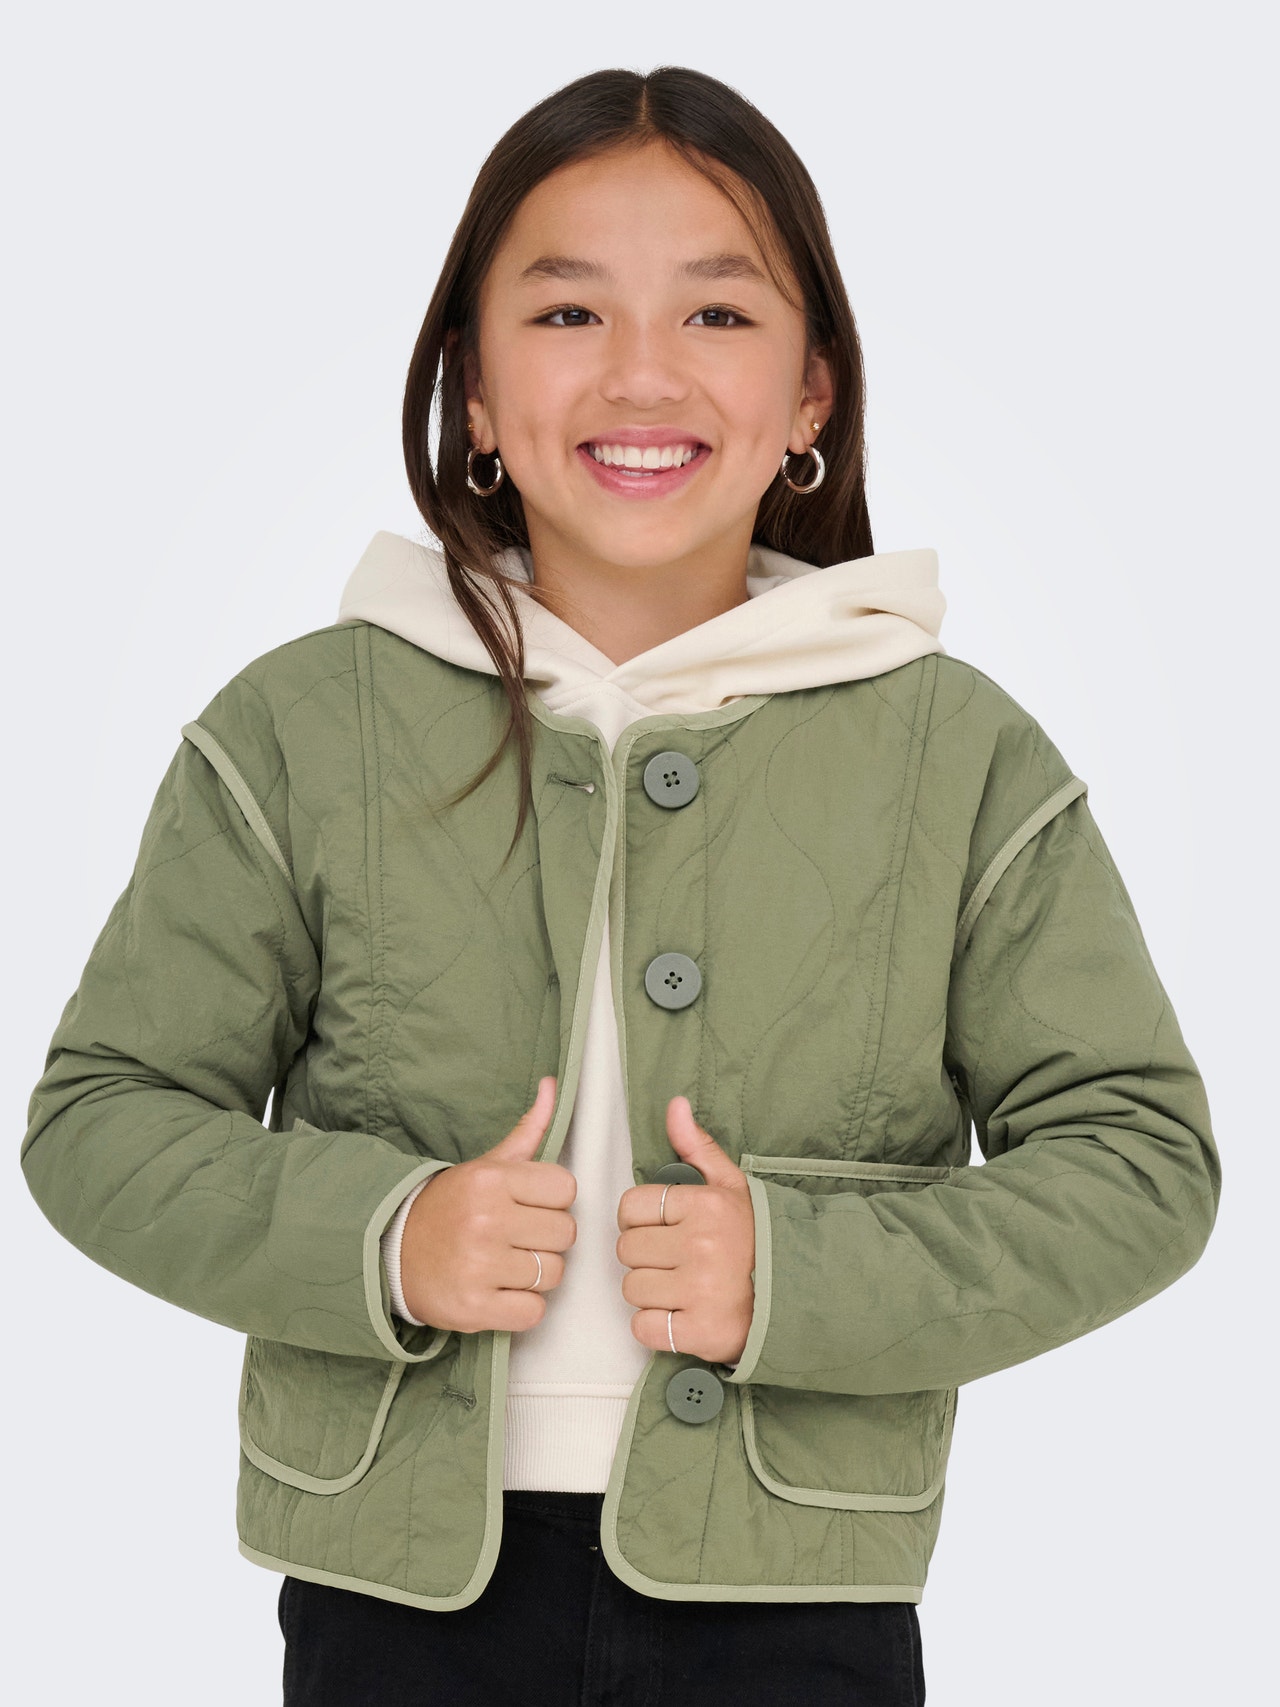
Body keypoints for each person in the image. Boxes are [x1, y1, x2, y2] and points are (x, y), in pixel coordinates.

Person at [20, 64, 1220, 1707]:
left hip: (797, 1598)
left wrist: (795, 1274)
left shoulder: (959, 756)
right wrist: (388, 1239)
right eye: (569, 313)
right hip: (397, 1602)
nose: (642, 373)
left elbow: (1141, 1162)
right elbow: (102, 1117)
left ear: (812, 392)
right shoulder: (304, 728)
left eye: (718, 314)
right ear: (474, 390)